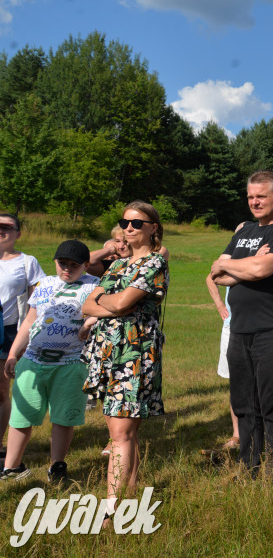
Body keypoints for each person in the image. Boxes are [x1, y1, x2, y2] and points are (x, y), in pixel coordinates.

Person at [210, 170, 273, 477]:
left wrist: (238, 265)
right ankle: (249, 464)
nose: (255, 202)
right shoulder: (245, 231)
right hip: (240, 328)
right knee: (243, 401)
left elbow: (263, 269)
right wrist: (242, 265)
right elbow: (216, 273)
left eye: (261, 196)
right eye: (250, 196)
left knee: (272, 402)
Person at [81, 202, 169, 519]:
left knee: (120, 435)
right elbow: (88, 306)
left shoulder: (155, 263)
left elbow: (120, 303)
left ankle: (111, 512)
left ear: (153, 228)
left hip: (134, 353)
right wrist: (111, 304)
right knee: (126, 433)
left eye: (136, 223)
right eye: (125, 223)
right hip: (108, 352)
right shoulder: (117, 266)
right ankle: (127, 501)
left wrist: (109, 303)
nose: (128, 228)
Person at [1, 240, 98, 483]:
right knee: (22, 416)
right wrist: (14, 354)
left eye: (73, 265)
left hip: (70, 363)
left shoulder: (95, 286)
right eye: (61, 263)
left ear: (85, 265)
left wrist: (89, 321)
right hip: (33, 361)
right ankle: (12, 468)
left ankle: (57, 466)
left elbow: (107, 310)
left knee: (63, 418)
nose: (66, 269)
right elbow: (28, 322)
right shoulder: (44, 284)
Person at [0, 213, 46, 458]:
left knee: (0, 391)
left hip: (7, 331)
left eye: (7, 227)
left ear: (18, 233)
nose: (1, 230)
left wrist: (24, 339)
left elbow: (37, 303)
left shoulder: (27, 262)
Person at [205, 222, 247, 451]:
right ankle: (237, 434)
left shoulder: (257, 257)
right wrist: (220, 304)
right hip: (232, 326)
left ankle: (254, 431)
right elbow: (210, 278)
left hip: (256, 326)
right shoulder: (229, 259)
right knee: (236, 381)